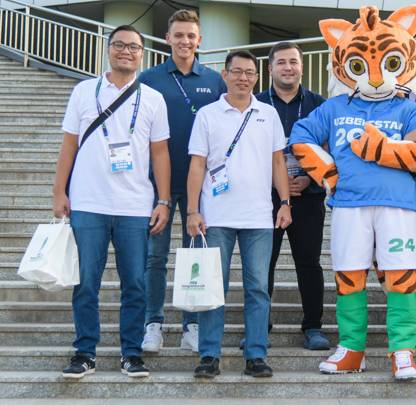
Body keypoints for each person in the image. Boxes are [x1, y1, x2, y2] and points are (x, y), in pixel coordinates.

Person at [290, 5, 416, 381]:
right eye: (360, 66)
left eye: (387, 63)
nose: (374, 78)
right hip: (349, 205)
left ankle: (402, 351)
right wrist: (329, 173)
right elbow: (300, 138)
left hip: (398, 206)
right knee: (349, 276)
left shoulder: (411, 110)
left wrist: (376, 148)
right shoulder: (335, 106)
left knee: (402, 278)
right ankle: (351, 348)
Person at [53, 25, 171, 379]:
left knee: (134, 282)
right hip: (88, 202)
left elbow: (161, 153)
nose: (126, 51)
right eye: (119, 45)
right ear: (108, 50)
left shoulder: (152, 98)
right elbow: (69, 144)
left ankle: (131, 353)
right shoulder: (84, 91)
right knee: (86, 281)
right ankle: (85, 351)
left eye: (133, 46)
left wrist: (163, 199)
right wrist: (59, 191)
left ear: (142, 54)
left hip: (135, 206)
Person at [185, 50, 291, 379]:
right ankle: (208, 355)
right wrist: (192, 210)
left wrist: (285, 201)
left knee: (258, 288)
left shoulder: (268, 114)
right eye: (237, 72)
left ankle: (256, 354)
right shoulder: (207, 114)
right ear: (225, 75)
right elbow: (197, 165)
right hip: (216, 216)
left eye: (249, 73)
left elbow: (277, 162)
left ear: (257, 77)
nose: (243, 78)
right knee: (214, 288)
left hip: (259, 218)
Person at [138, 9, 226, 354]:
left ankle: (192, 324)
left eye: (191, 36)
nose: (185, 41)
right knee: (154, 258)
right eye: (178, 35)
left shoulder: (215, 80)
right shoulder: (149, 78)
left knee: (196, 257)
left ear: (199, 40)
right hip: (155, 184)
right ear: (167, 39)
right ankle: (153, 323)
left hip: (200, 187)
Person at [255, 42, 329, 350]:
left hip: (308, 196)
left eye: (293, 62)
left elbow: (331, 147)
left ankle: (312, 326)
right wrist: (278, 182)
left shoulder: (319, 104)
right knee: (263, 263)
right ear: (270, 68)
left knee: (309, 262)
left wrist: (309, 179)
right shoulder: (256, 103)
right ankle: (260, 327)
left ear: (301, 67)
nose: (288, 67)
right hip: (265, 196)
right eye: (281, 62)